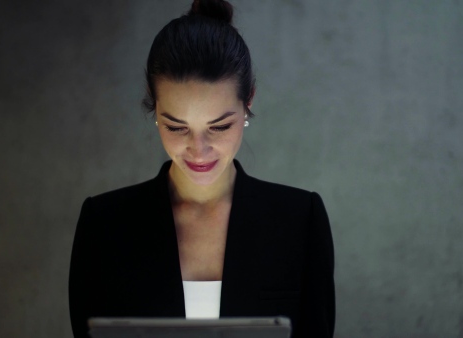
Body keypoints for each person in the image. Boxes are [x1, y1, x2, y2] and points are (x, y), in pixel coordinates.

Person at [68, 1, 335, 337]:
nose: (199, 150)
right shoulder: (104, 225)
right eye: (177, 127)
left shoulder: (300, 220)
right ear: (155, 106)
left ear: (248, 101)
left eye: (220, 126)